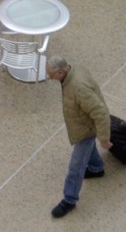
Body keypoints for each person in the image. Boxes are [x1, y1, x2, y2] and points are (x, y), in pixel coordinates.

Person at [47, 55, 112, 219]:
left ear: (61, 72)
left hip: (86, 129)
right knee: (87, 151)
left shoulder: (78, 88)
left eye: (52, 75)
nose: (50, 78)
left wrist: (104, 138)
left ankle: (69, 200)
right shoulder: (75, 70)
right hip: (82, 122)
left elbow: (101, 113)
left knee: (76, 167)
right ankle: (97, 169)